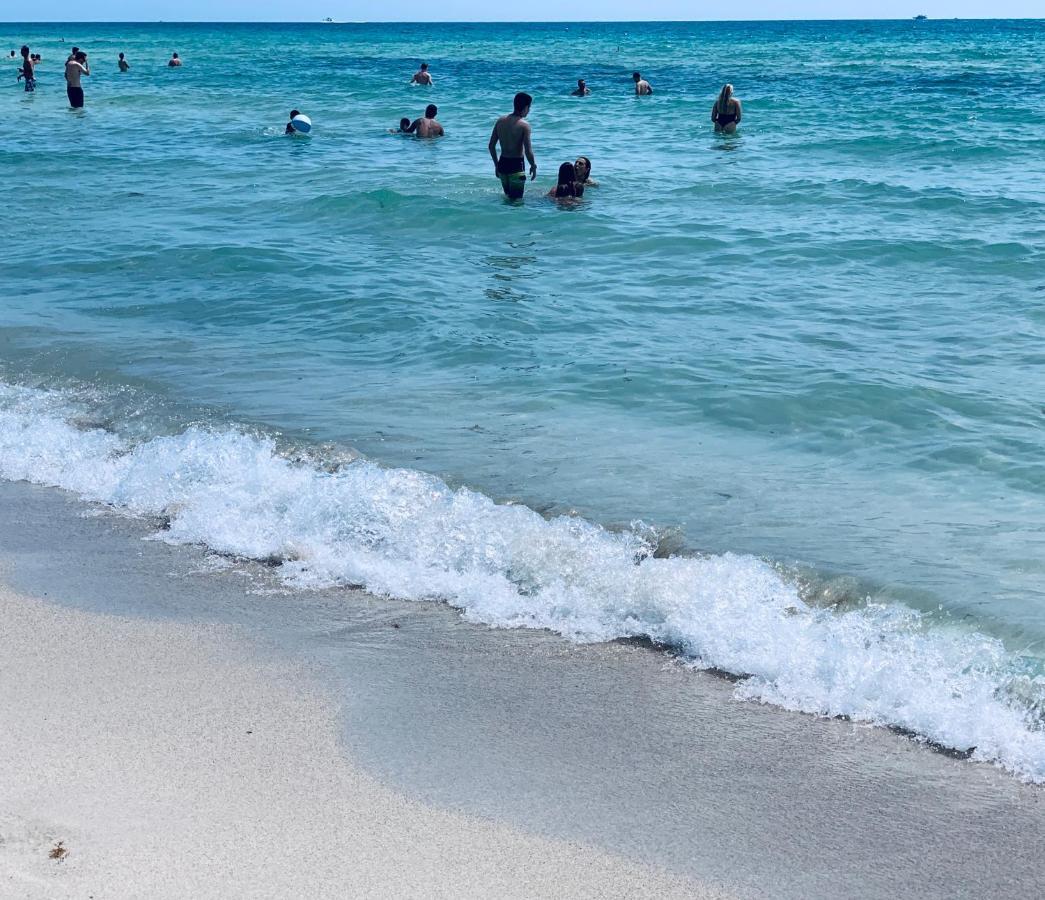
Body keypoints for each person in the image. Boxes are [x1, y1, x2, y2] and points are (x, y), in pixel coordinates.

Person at [488, 92, 537, 201]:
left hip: (503, 165)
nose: (529, 111)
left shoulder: (500, 121)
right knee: (516, 203)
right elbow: (528, 151)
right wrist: (533, 165)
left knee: (508, 199)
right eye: (529, 108)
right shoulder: (524, 125)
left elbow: (491, 146)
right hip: (516, 166)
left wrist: (497, 165)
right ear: (525, 107)